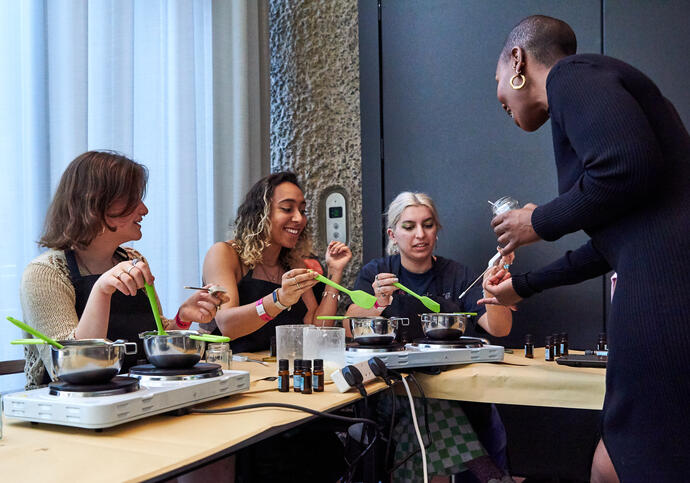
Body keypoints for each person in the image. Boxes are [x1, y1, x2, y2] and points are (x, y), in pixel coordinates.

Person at [483, 15, 690, 482]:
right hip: (662, 288)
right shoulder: (589, 86)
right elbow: (611, 243)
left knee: (636, 457)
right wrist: (525, 286)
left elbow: (626, 166)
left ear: (517, 59)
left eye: (495, 80)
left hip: (665, 302)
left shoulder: (572, 76)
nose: (498, 97)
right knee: (614, 460)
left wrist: (537, 220)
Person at [20, 151, 225, 389]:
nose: (144, 209)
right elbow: (72, 369)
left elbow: (152, 337)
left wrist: (182, 318)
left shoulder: (133, 260)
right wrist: (102, 290)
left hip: (134, 396)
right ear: (95, 202)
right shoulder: (45, 273)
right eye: (133, 198)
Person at [347, 191, 514, 482]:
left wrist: (492, 288)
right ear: (393, 234)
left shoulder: (457, 274)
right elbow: (349, 327)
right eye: (409, 226)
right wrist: (377, 304)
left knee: (429, 418)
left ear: (437, 230)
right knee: (427, 406)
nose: (420, 234)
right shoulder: (378, 272)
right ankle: (490, 474)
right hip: (393, 393)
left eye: (428, 225)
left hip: (455, 391)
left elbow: (499, 329)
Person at [202, 170, 352, 352]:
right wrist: (279, 299)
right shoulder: (225, 253)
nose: (299, 218)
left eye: (302, 211)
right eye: (287, 209)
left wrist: (334, 273)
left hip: (274, 372)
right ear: (260, 214)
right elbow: (227, 325)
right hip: (232, 371)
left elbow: (317, 327)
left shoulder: (293, 262)